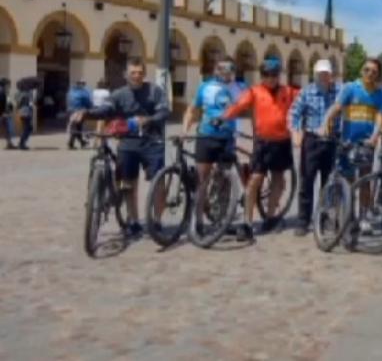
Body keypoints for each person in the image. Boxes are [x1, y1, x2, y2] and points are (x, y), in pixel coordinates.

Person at [72, 58, 169, 236]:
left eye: (140, 72)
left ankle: (157, 220)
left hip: (152, 142)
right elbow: (106, 110)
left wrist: (149, 119)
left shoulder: (155, 91)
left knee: (158, 182)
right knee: (127, 183)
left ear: (145, 74)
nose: (137, 76)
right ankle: (133, 220)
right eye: (133, 72)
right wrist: (86, 113)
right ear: (126, 74)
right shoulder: (118, 94)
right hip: (128, 142)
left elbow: (164, 111)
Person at [221, 57, 299, 241]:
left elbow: (306, 100)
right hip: (263, 143)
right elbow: (239, 105)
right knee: (254, 180)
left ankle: (270, 217)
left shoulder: (288, 91)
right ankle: (247, 223)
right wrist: (223, 117)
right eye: (266, 74)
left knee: (278, 180)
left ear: (278, 75)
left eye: (274, 74)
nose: (270, 78)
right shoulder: (254, 91)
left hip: (282, 141)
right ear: (261, 75)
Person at [322, 58, 382, 233]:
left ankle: (364, 217)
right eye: (367, 70)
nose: (370, 74)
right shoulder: (350, 88)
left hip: (366, 143)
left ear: (378, 74)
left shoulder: (380, 94)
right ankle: (345, 216)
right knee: (347, 180)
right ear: (361, 71)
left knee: (365, 181)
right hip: (347, 141)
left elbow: (380, 117)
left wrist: (374, 137)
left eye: (374, 71)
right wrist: (326, 121)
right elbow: (336, 107)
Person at [183, 57, 242, 233]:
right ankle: (198, 220)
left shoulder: (238, 88)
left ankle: (221, 219)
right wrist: (185, 130)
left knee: (224, 180)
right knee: (202, 180)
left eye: (229, 70)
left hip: (227, 138)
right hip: (206, 136)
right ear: (216, 70)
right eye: (221, 69)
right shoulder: (205, 87)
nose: (225, 73)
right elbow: (192, 109)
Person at [288, 58, 339, 237]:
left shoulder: (338, 92)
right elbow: (294, 113)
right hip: (312, 140)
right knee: (307, 181)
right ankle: (303, 219)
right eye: (321, 73)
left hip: (332, 141)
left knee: (329, 182)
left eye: (327, 73)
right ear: (315, 74)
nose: (324, 76)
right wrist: (295, 132)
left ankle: (325, 218)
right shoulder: (307, 92)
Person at [66, 80, 92, 149]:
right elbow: (88, 102)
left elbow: (68, 100)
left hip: (70, 111)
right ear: (80, 84)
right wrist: (90, 109)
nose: (84, 85)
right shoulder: (83, 92)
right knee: (77, 128)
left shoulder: (70, 91)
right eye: (83, 84)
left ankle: (79, 143)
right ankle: (75, 143)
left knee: (76, 128)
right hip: (79, 112)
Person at [0, 78, 16, 149]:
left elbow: (7, 102)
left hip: (5, 113)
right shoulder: (1, 92)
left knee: (8, 129)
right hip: (2, 114)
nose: (9, 85)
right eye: (8, 84)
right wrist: (2, 113)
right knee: (8, 128)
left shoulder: (5, 92)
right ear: (4, 84)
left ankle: (9, 144)